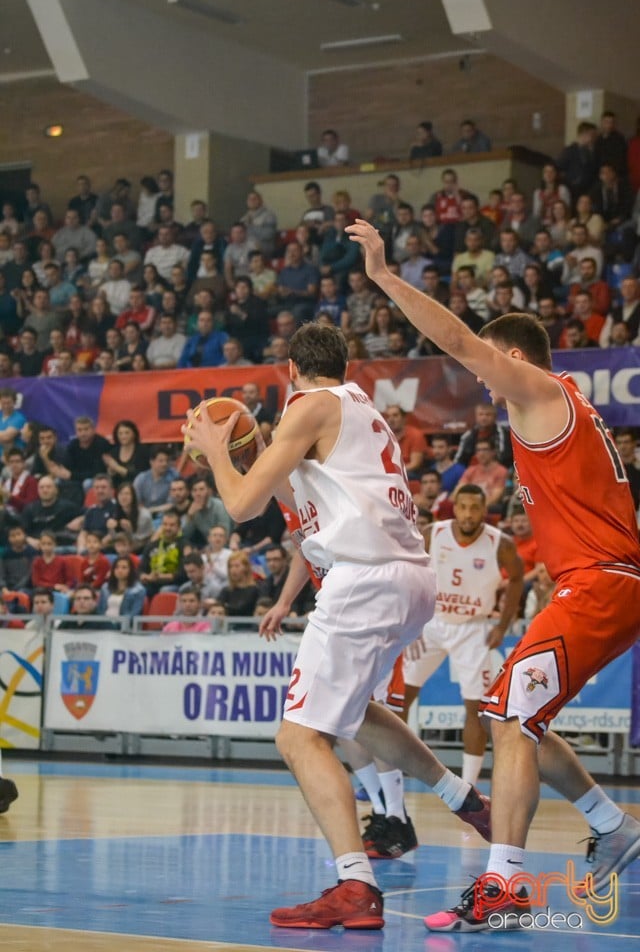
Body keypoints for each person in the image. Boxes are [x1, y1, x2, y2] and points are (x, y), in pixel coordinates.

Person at [347, 217, 640, 930]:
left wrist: (386, 278)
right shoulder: (565, 408)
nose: (482, 384)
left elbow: (456, 341)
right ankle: (614, 825)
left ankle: (503, 887)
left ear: (513, 358)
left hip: (600, 584)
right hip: (603, 583)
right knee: (521, 714)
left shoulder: (540, 391)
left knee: (508, 715)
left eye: (491, 368)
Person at [183, 322, 491, 930]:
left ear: (292, 367)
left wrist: (218, 452)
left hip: (365, 581)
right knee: (351, 714)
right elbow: (300, 511)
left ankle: (355, 884)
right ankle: (461, 796)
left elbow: (240, 507)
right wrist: (251, 456)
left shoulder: (309, 406)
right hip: (411, 581)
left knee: (298, 737)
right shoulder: (359, 410)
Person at [403, 485, 523, 784]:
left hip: (474, 629)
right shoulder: (433, 533)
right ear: (454, 508)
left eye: (475, 508)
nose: (468, 514)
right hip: (431, 622)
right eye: (463, 507)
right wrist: (411, 622)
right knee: (400, 697)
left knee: (476, 708)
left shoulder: (501, 543)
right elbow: (409, 572)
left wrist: (502, 626)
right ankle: (393, 773)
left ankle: (469, 786)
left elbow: (518, 578)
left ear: (485, 510)